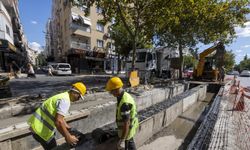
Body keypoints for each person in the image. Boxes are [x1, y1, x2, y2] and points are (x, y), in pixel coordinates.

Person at [27, 82, 87, 150]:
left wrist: (69, 129)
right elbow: (58, 121)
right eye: (79, 96)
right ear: (75, 93)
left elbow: (60, 118)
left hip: (36, 127)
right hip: (41, 131)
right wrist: (68, 137)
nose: (78, 99)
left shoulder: (63, 96)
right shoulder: (65, 101)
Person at [105, 77, 139, 150]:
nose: (111, 93)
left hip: (127, 131)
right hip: (129, 130)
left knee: (128, 144)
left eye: (111, 91)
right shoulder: (123, 95)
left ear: (116, 89)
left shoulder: (124, 103)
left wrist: (122, 139)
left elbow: (126, 123)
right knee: (130, 143)